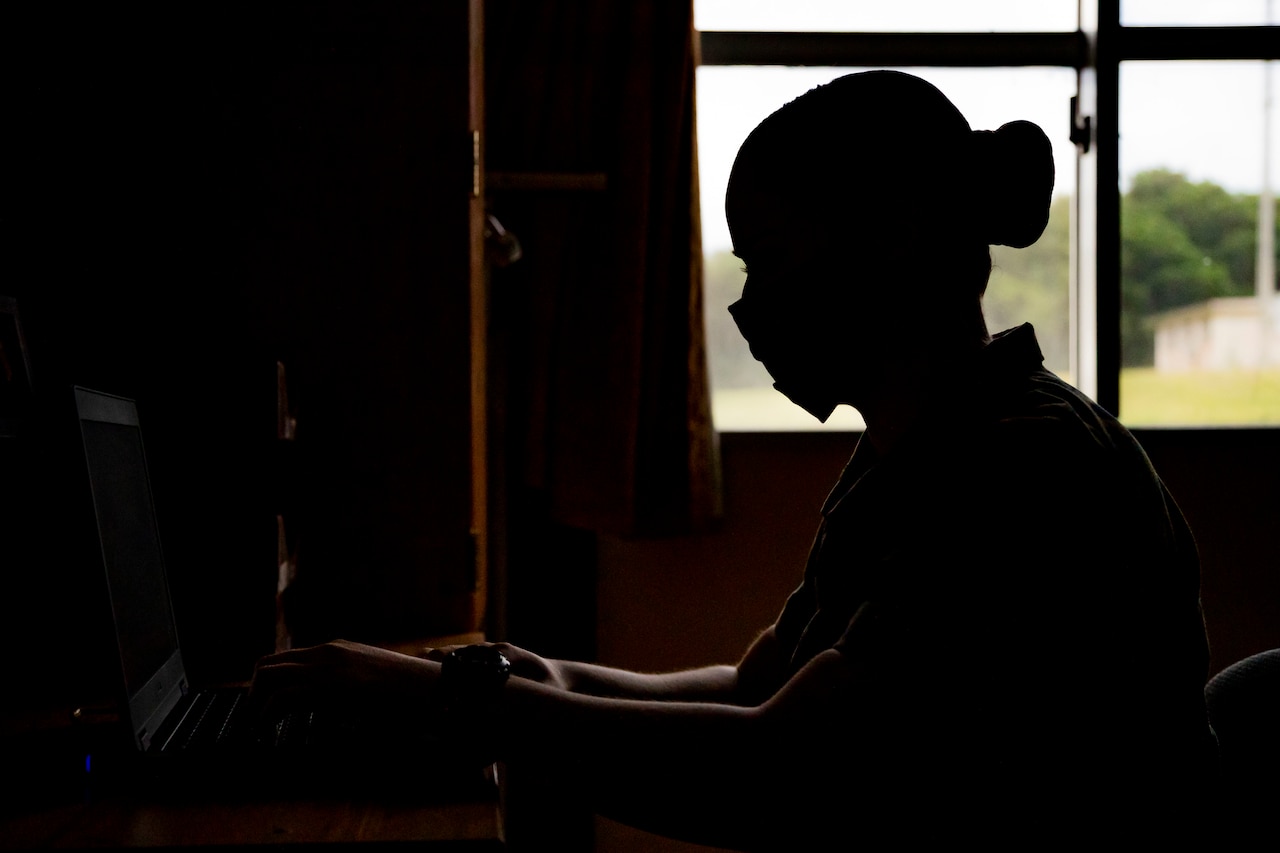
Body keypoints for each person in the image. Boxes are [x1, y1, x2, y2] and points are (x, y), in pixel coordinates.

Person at [250, 71, 1218, 848]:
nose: (749, 305)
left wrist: (449, 697)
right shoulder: (915, 449)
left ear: (891, 243)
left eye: (768, 260)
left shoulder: (1021, 471)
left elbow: (777, 771)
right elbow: (749, 687)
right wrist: (520, 670)